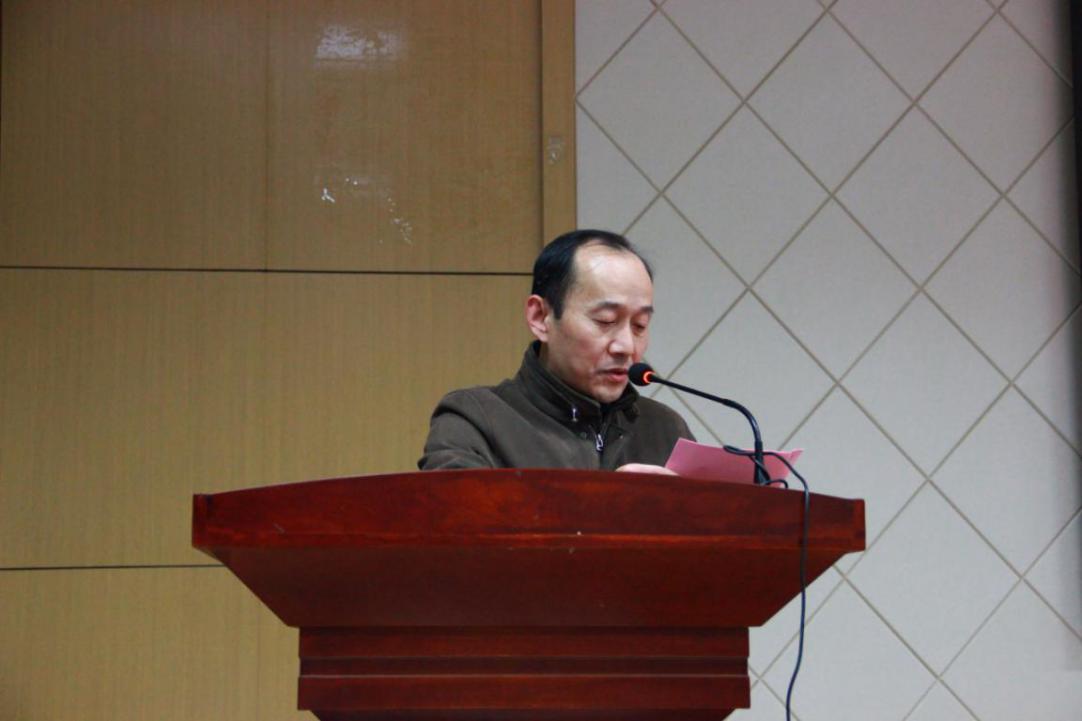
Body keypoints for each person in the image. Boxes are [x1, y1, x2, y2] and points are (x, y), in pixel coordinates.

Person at [418, 229, 694, 473]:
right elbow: (456, 512)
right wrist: (625, 503)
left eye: (640, 325)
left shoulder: (666, 429)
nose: (627, 346)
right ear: (541, 317)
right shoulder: (475, 418)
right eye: (606, 320)